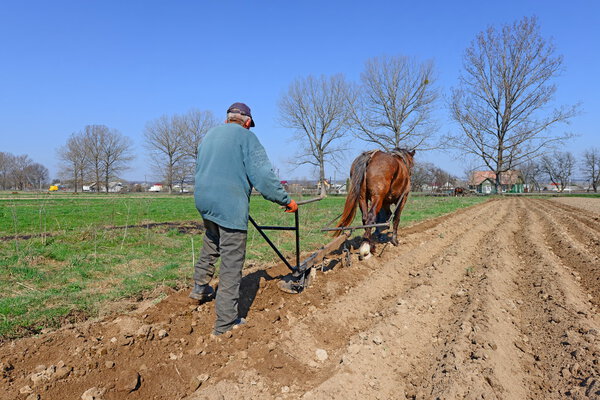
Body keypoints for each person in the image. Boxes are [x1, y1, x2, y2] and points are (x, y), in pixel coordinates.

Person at [191, 102, 298, 336]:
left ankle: (199, 288)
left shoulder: (209, 135)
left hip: (204, 201)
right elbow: (263, 177)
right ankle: (226, 323)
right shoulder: (247, 138)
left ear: (228, 118)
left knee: (211, 240)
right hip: (229, 204)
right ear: (247, 122)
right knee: (231, 261)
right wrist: (286, 200)